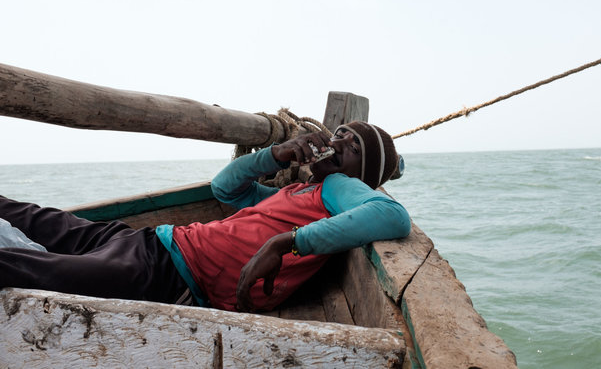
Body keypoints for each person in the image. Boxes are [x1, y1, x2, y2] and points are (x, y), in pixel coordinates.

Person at [0, 121, 410, 312]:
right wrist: (275, 154)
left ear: (360, 174)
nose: (338, 140)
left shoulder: (340, 189)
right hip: (148, 242)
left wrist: (286, 242)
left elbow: (392, 215)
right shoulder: (300, 191)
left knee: (27, 268)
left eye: (353, 145)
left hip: (168, 274)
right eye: (341, 132)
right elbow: (225, 189)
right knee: (31, 217)